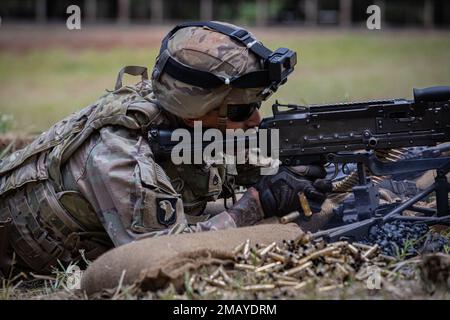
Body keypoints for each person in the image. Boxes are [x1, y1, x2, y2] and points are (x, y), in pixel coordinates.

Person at [0, 21, 330, 273]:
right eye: (242, 110)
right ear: (194, 114)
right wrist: (257, 203)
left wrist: (287, 167)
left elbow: (226, 161)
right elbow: (167, 252)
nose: (256, 120)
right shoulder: (119, 156)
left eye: (258, 104)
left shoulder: (178, 115)